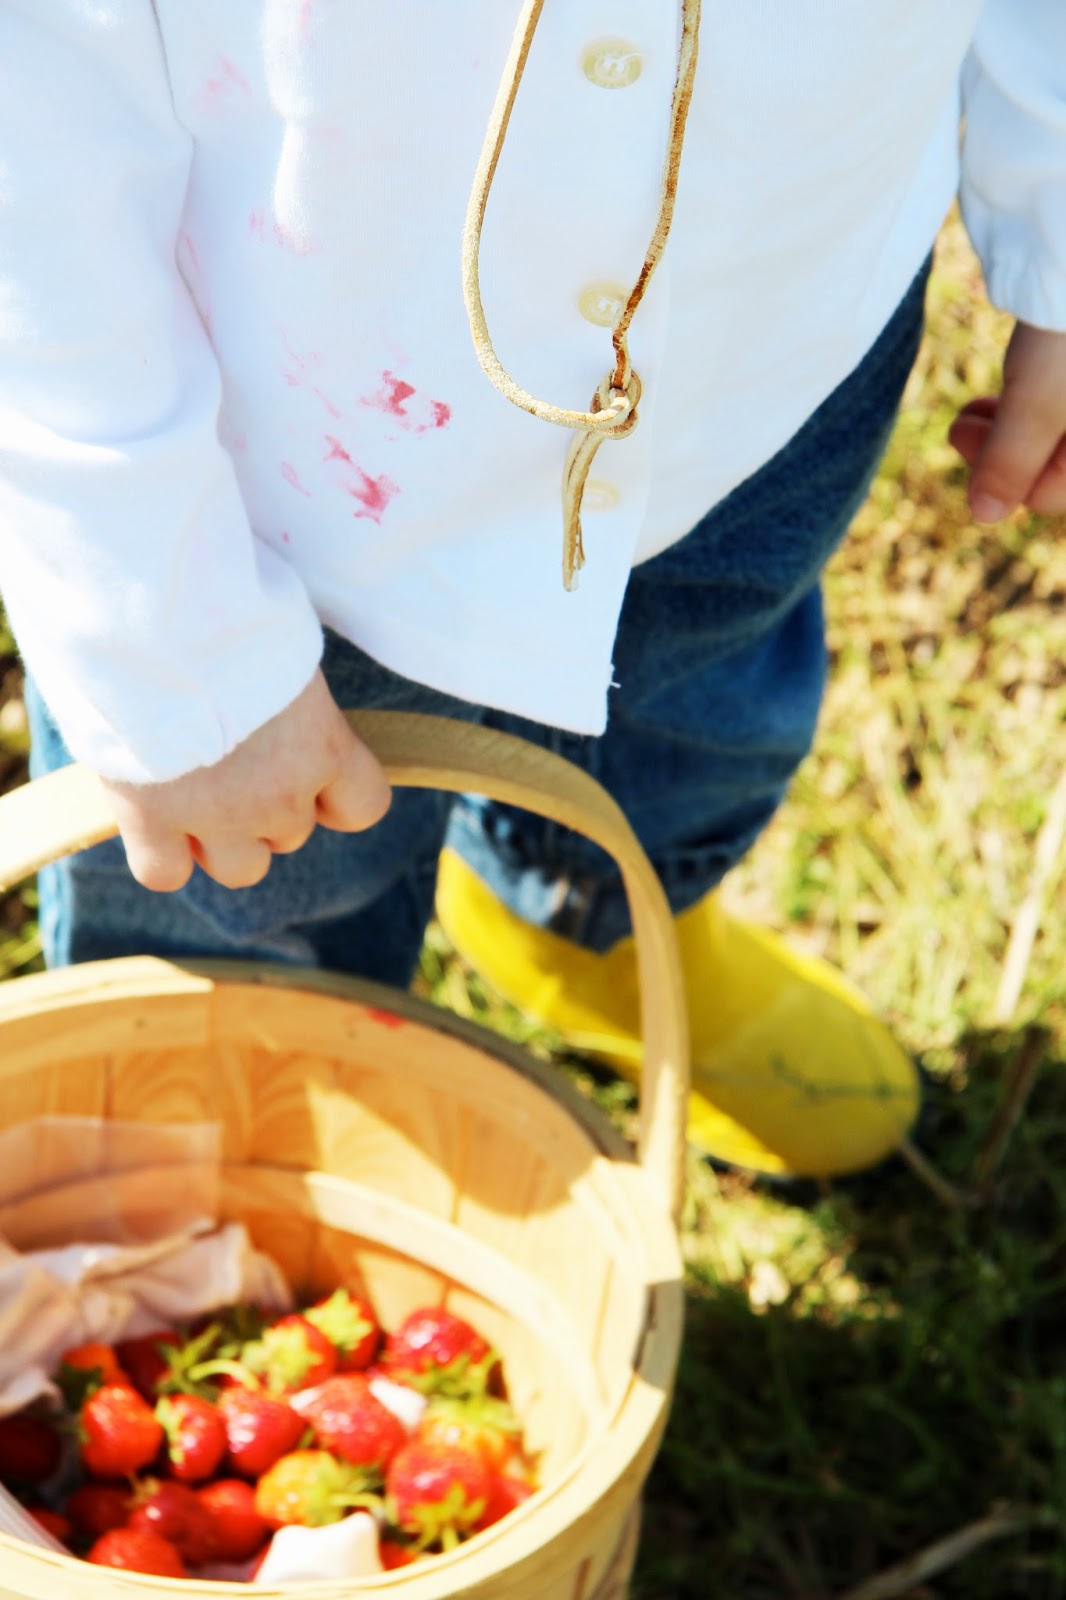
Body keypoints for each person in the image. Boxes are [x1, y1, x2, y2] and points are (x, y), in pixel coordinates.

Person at [2, 3, 1065, 1177]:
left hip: (773, 353)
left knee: (695, 708)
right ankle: (221, 1157)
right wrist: (173, 641)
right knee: (258, 892)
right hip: (291, 468)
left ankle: (579, 923)